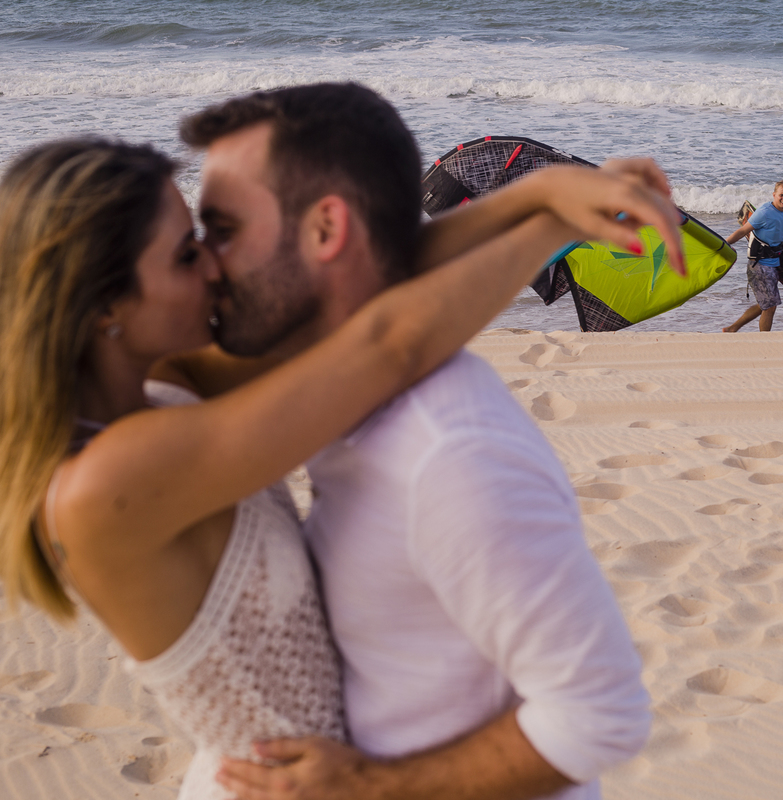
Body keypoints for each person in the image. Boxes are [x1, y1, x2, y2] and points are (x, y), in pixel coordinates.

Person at [0, 122, 682, 798]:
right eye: (185, 255)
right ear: (101, 307)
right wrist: (547, 223)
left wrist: (538, 197)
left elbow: (354, 299)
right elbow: (387, 344)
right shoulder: (108, 485)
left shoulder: (160, 388)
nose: (212, 266)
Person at [722, 180, 783, 333]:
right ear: (774, 195)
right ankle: (764, 341)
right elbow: (742, 231)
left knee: (764, 305)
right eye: (781, 195)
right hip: (759, 266)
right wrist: (723, 244)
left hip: (773, 265)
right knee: (770, 306)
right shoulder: (765, 212)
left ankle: (732, 329)